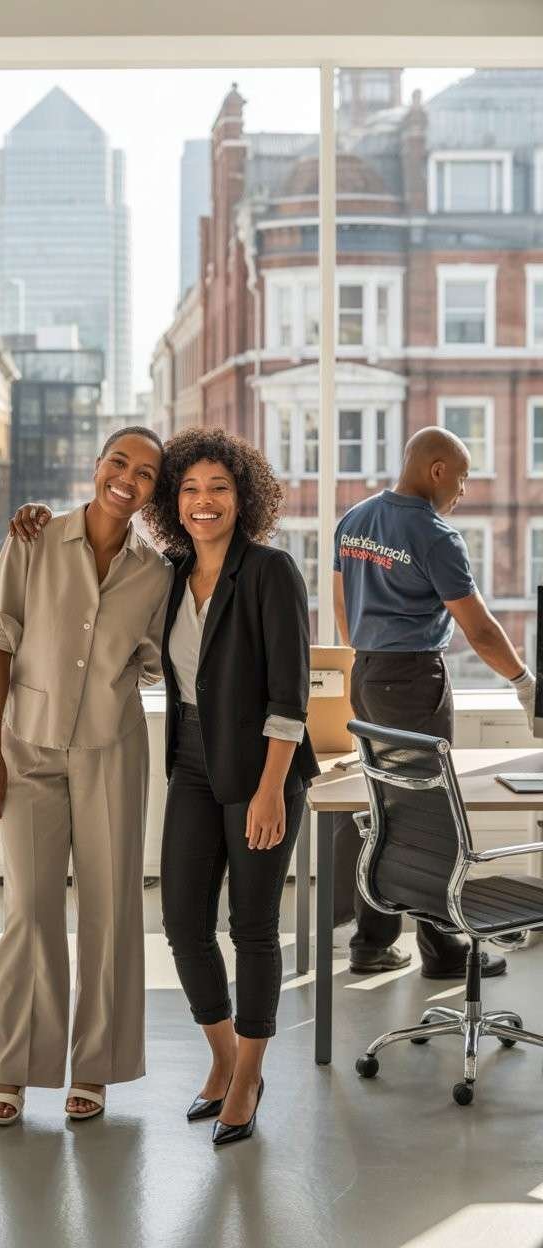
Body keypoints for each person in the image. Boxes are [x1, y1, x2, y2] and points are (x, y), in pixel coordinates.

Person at [0, 426, 172, 1126]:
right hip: (25, 748)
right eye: (120, 462)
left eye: (146, 473)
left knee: (112, 909)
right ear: (97, 466)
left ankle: (95, 1068)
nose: (129, 478)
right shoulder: (33, 538)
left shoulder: (158, 572)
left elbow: (154, 662)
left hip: (111, 751)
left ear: (155, 492)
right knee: (30, 909)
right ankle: (15, 1068)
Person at [142, 427, 320, 1146]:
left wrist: (274, 788)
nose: (203, 501)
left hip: (259, 771)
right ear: (172, 501)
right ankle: (225, 1060)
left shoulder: (271, 572)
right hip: (188, 761)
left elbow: (289, 693)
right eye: (189, 489)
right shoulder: (171, 572)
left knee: (251, 927)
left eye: (218, 487)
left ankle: (248, 1077)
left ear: (243, 496)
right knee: (184, 922)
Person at [332, 425, 536, 978]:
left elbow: (342, 610)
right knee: (430, 813)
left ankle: (372, 942)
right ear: (437, 469)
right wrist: (523, 682)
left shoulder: (354, 520)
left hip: (368, 674)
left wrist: (369, 653)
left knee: (385, 806)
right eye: (463, 478)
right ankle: (444, 951)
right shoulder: (435, 535)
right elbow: (482, 630)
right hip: (413, 677)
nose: (463, 491)